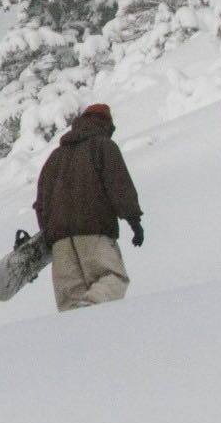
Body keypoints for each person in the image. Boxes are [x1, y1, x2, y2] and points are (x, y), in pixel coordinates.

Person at [36, 102, 145, 312]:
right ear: (106, 124)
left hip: (60, 243)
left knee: (70, 300)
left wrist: (49, 237)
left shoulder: (54, 157)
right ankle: (92, 305)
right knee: (112, 277)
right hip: (94, 231)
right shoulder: (103, 146)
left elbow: (41, 203)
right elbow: (119, 184)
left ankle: (80, 329)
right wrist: (134, 220)